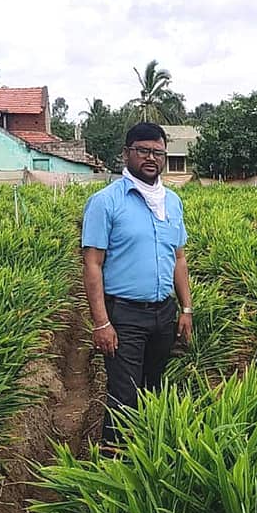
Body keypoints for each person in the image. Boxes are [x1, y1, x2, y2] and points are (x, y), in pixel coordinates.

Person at [81, 122, 193, 446]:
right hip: (125, 315)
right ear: (126, 153)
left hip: (163, 313)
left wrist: (186, 308)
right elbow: (92, 264)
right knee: (123, 396)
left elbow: (180, 258)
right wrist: (101, 322)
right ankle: (113, 468)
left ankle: (147, 457)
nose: (151, 158)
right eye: (143, 151)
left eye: (158, 152)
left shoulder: (172, 202)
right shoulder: (106, 202)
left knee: (154, 390)